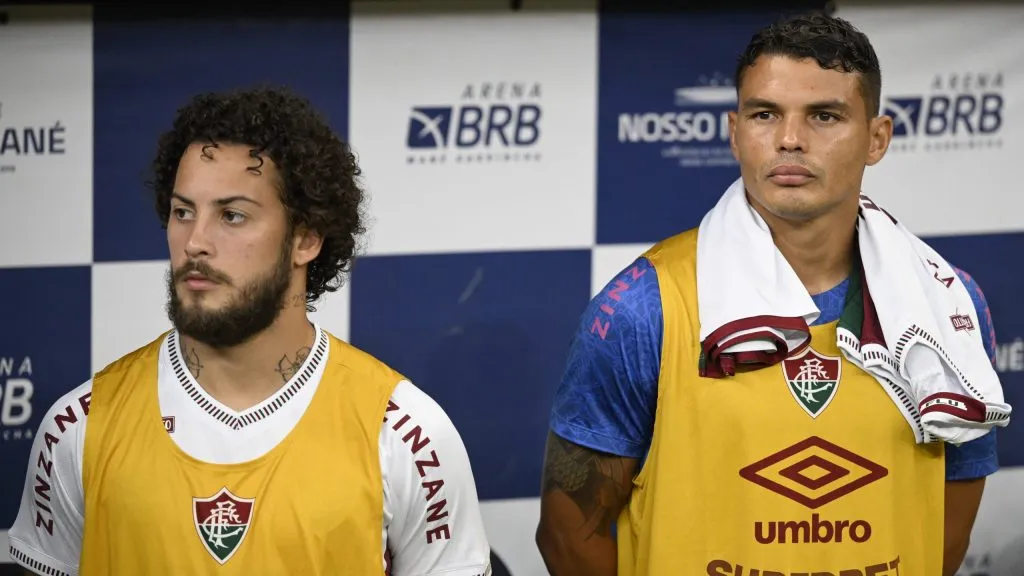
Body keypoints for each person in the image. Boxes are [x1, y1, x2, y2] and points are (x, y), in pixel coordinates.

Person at [536, 11, 1011, 576]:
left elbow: (944, 529)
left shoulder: (949, 304)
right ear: (735, 133)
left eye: (824, 116)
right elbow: (570, 537)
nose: (789, 139)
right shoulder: (644, 308)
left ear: (877, 138)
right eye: (765, 114)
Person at [8, 86, 493, 575]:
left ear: (306, 239)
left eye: (232, 215)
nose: (195, 242)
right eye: (182, 212)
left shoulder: (406, 434)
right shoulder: (79, 427)